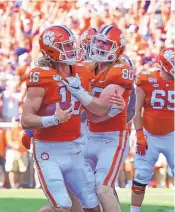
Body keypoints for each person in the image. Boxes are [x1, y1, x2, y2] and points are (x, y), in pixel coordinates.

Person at [21, 25, 124, 212]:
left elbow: (97, 108)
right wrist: (53, 120)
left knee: (93, 206)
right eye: (66, 46)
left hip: (75, 150)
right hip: (48, 152)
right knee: (63, 206)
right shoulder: (41, 75)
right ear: (52, 50)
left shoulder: (82, 71)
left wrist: (114, 109)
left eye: (71, 45)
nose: (72, 49)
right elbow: (26, 119)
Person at [62, 25, 135, 212]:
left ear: (117, 48)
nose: (100, 47)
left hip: (112, 138)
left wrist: (80, 94)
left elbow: (100, 111)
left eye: (106, 43)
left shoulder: (121, 68)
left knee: (103, 190)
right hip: (90, 136)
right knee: (79, 187)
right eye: (98, 42)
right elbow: (94, 114)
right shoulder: (86, 67)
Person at [130, 47, 174, 212]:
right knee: (140, 176)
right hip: (149, 134)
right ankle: (134, 211)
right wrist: (140, 134)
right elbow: (137, 109)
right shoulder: (147, 79)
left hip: (172, 134)